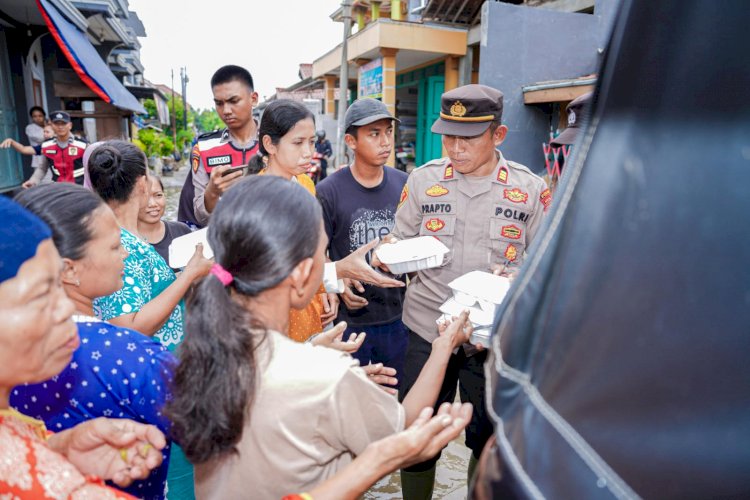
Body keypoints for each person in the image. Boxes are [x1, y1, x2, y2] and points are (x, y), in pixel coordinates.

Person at [166, 175, 474, 498]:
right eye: (324, 252)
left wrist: (310, 351)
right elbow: (405, 430)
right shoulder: (325, 376)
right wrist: (443, 346)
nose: (327, 261)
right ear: (300, 275)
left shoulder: (191, 353)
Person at [373, 84, 552, 499]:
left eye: (467, 138)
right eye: (447, 136)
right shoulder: (423, 180)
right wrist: (388, 253)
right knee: (418, 431)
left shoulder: (527, 190)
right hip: (425, 327)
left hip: (489, 338)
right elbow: (397, 239)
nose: (454, 148)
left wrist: (516, 278)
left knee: (486, 433)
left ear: (498, 135)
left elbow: (544, 264)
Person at [11, 183, 177, 500]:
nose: (125, 253)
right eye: (115, 247)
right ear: (68, 270)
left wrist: (57, 450)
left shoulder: (20, 354)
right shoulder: (132, 355)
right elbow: (220, 428)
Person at [88, 140, 212, 499]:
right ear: (142, 184)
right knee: (172, 482)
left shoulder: (121, 238)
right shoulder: (117, 243)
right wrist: (188, 276)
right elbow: (128, 326)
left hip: (164, 381)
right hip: (150, 389)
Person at [316, 98, 409, 387]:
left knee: (394, 399)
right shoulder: (328, 191)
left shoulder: (405, 183)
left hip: (399, 317)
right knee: (353, 404)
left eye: (388, 132)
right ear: (351, 141)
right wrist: (339, 282)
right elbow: (317, 253)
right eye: (374, 134)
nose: (385, 141)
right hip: (351, 321)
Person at [254, 99, 339, 341]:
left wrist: (325, 289)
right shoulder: (254, 198)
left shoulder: (305, 183)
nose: (308, 152)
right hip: (279, 318)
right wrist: (336, 274)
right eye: (298, 143)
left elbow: (315, 246)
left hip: (312, 307)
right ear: (269, 144)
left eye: (311, 142)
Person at [177, 65, 260, 228]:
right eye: (219, 103)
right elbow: (199, 216)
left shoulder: (274, 142)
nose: (226, 110)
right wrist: (212, 192)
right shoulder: (204, 148)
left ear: (254, 99)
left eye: (234, 101)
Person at [1, 110, 88, 187]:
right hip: (58, 189)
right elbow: (41, 167)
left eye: (63, 123)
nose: (60, 127)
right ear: (51, 125)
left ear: (70, 125)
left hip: (80, 188)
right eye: (57, 124)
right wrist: (33, 181)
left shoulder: (82, 144)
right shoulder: (47, 145)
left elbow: (92, 166)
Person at [138, 175, 192, 268]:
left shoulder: (182, 231)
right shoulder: (125, 242)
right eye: (144, 197)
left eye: (158, 195)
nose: (153, 204)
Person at [25, 106, 53, 184]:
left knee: (53, 181)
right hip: (39, 159)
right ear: (32, 118)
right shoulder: (30, 128)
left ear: (44, 116)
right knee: (43, 182)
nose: (38, 118)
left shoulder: (50, 126)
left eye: (40, 116)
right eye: (35, 116)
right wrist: (50, 130)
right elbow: (41, 138)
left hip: (52, 157)